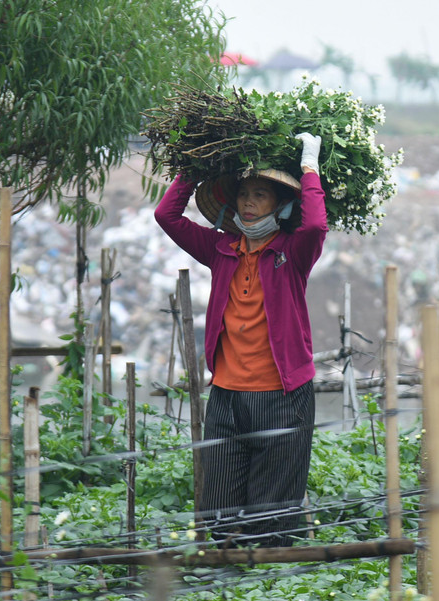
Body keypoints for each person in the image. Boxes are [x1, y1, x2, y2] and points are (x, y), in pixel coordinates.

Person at [154, 133, 327, 547]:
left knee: (272, 518)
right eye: (244, 194)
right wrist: (193, 165)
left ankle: (267, 583)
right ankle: (221, 583)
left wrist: (309, 166)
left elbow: (317, 223)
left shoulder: (292, 252)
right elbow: (167, 215)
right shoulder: (221, 249)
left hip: (283, 397)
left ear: (281, 206)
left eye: (260, 194)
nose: (249, 202)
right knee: (217, 511)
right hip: (227, 397)